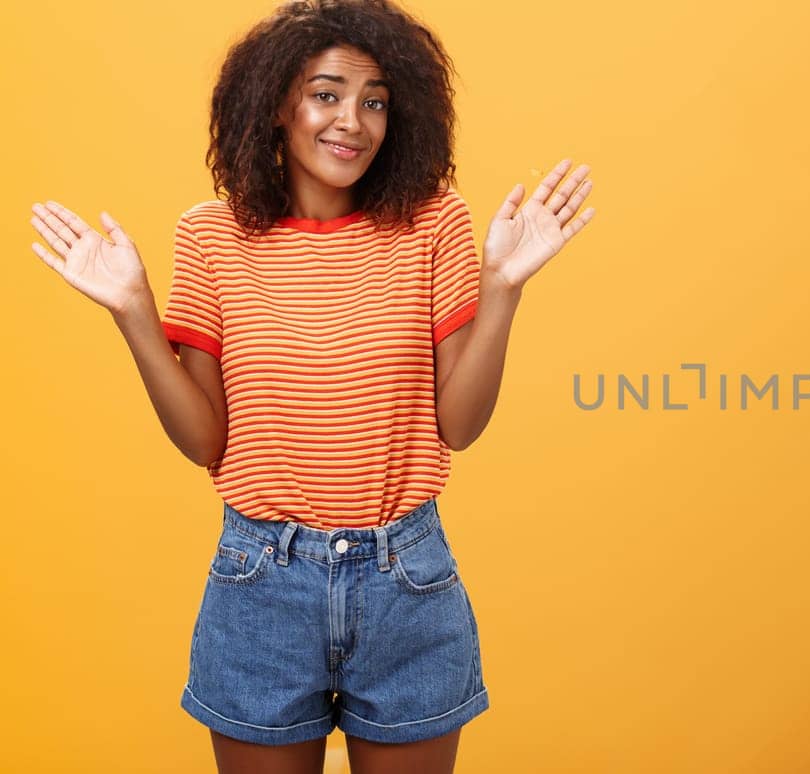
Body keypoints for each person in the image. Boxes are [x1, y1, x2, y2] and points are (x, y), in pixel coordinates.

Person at [27, 1, 595, 771]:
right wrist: (133, 311)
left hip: (408, 580)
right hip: (261, 579)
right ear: (275, 107)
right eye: (327, 94)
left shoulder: (433, 223)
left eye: (374, 101)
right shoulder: (209, 236)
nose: (352, 122)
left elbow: (458, 426)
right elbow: (205, 441)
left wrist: (503, 289)